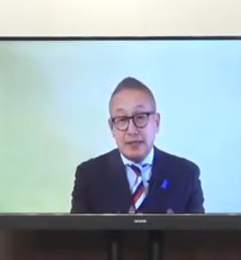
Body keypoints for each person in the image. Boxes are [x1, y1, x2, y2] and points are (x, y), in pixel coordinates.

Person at [70, 77, 205, 214]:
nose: (131, 130)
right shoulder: (89, 176)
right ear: (112, 128)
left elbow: (199, 228)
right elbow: (77, 228)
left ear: (156, 122)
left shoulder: (186, 174)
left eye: (140, 117)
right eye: (122, 119)